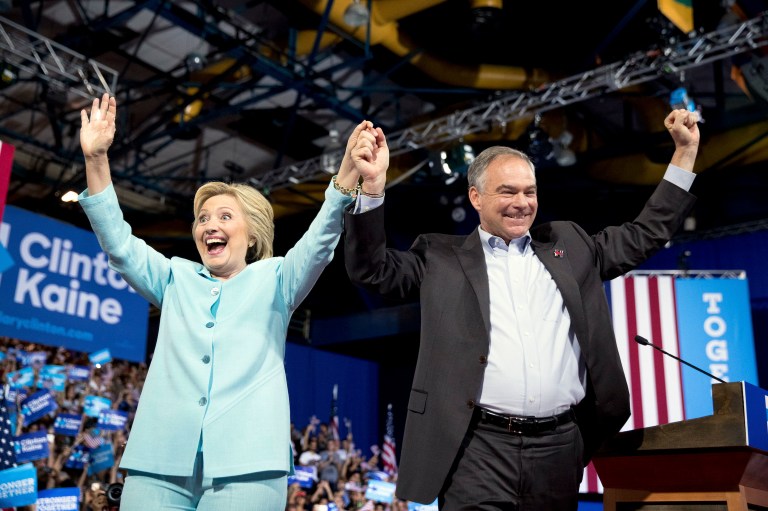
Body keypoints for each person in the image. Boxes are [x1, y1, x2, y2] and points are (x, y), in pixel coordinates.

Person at [343, 109, 700, 510]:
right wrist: (372, 188)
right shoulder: (439, 257)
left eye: (529, 192)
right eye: (508, 191)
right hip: (477, 450)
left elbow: (645, 234)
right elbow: (372, 271)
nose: (522, 203)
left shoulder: (570, 245)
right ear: (476, 197)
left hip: (560, 448)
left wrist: (684, 155)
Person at [77, 92, 377, 510]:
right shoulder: (174, 277)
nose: (209, 225)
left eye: (224, 217)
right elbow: (119, 244)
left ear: (251, 235)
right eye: (202, 218)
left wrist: (345, 177)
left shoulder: (276, 279)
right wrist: (95, 159)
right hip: (158, 462)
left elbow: (319, 243)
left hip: (249, 466)